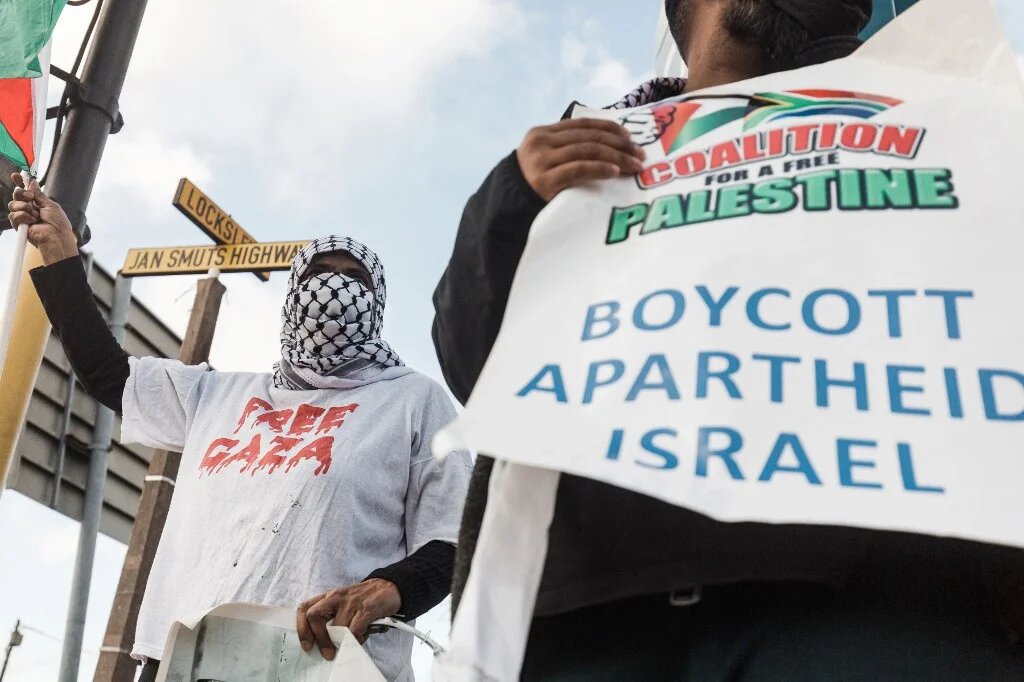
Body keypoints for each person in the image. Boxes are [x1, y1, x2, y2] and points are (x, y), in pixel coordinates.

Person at [432, 0, 1024, 679]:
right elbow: (477, 365)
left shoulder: (931, 116)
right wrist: (514, 201)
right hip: (592, 616)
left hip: (879, 605)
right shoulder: (578, 161)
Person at [7, 175, 472, 682]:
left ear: (377, 302)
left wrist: (389, 588)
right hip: (186, 661)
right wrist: (61, 257)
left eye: (354, 279)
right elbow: (106, 372)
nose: (335, 285)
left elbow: (455, 537)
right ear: (295, 288)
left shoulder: (413, 402)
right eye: (320, 270)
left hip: (324, 665)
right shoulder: (217, 395)